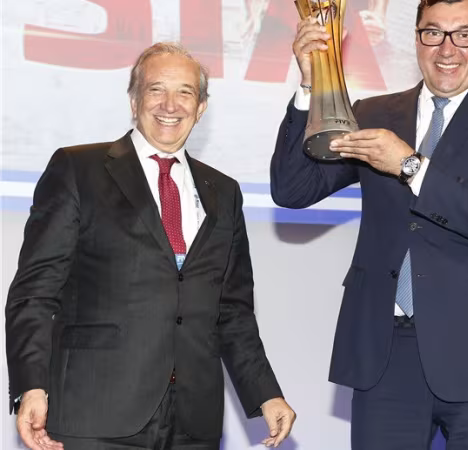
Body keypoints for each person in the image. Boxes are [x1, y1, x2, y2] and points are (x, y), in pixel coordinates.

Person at [271, 0, 468, 448]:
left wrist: (410, 166)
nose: (447, 49)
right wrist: (309, 85)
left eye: (464, 34)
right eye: (433, 33)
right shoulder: (373, 112)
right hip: (385, 353)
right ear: (417, 37)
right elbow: (293, 189)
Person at [6, 42, 296, 450]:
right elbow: (34, 292)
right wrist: (31, 386)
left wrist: (266, 393)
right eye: (156, 89)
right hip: (95, 412)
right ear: (134, 100)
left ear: (201, 107)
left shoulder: (224, 191)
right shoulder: (78, 169)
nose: (170, 105)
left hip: (193, 421)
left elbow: (232, 310)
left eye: (185, 92)